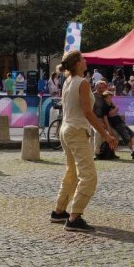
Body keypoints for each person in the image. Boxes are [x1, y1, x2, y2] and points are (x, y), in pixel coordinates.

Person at [50, 50, 117, 232]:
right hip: (77, 130)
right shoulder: (83, 83)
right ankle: (74, 217)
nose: (86, 60)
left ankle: (59, 210)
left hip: (66, 129)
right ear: (78, 63)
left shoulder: (68, 81)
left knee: (71, 172)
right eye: (83, 58)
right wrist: (105, 134)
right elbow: (88, 113)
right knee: (89, 176)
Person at [93, 80, 134, 160]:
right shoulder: (93, 96)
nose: (101, 89)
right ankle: (96, 153)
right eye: (99, 87)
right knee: (98, 133)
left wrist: (116, 110)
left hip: (106, 120)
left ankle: (112, 152)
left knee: (115, 133)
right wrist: (98, 120)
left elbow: (113, 106)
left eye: (103, 87)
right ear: (96, 87)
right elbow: (90, 110)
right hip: (95, 120)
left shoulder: (105, 96)